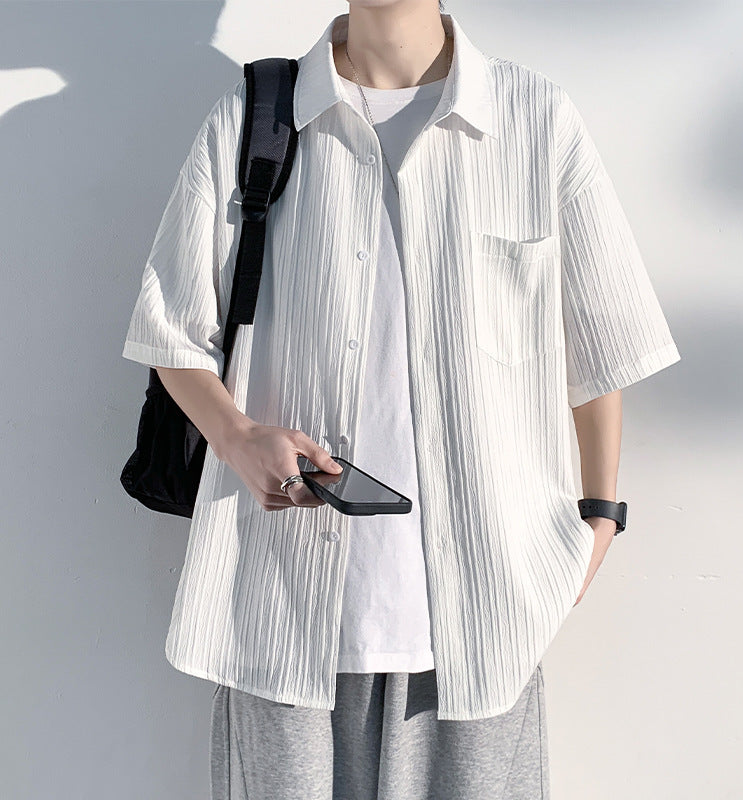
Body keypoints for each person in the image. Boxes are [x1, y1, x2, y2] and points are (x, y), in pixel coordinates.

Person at [121, 1, 681, 798]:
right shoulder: (256, 117)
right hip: (283, 607)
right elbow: (171, 329)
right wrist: (239, 438)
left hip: (483, 616)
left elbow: (601, 344)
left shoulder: (532, 119)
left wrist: (599, 522)